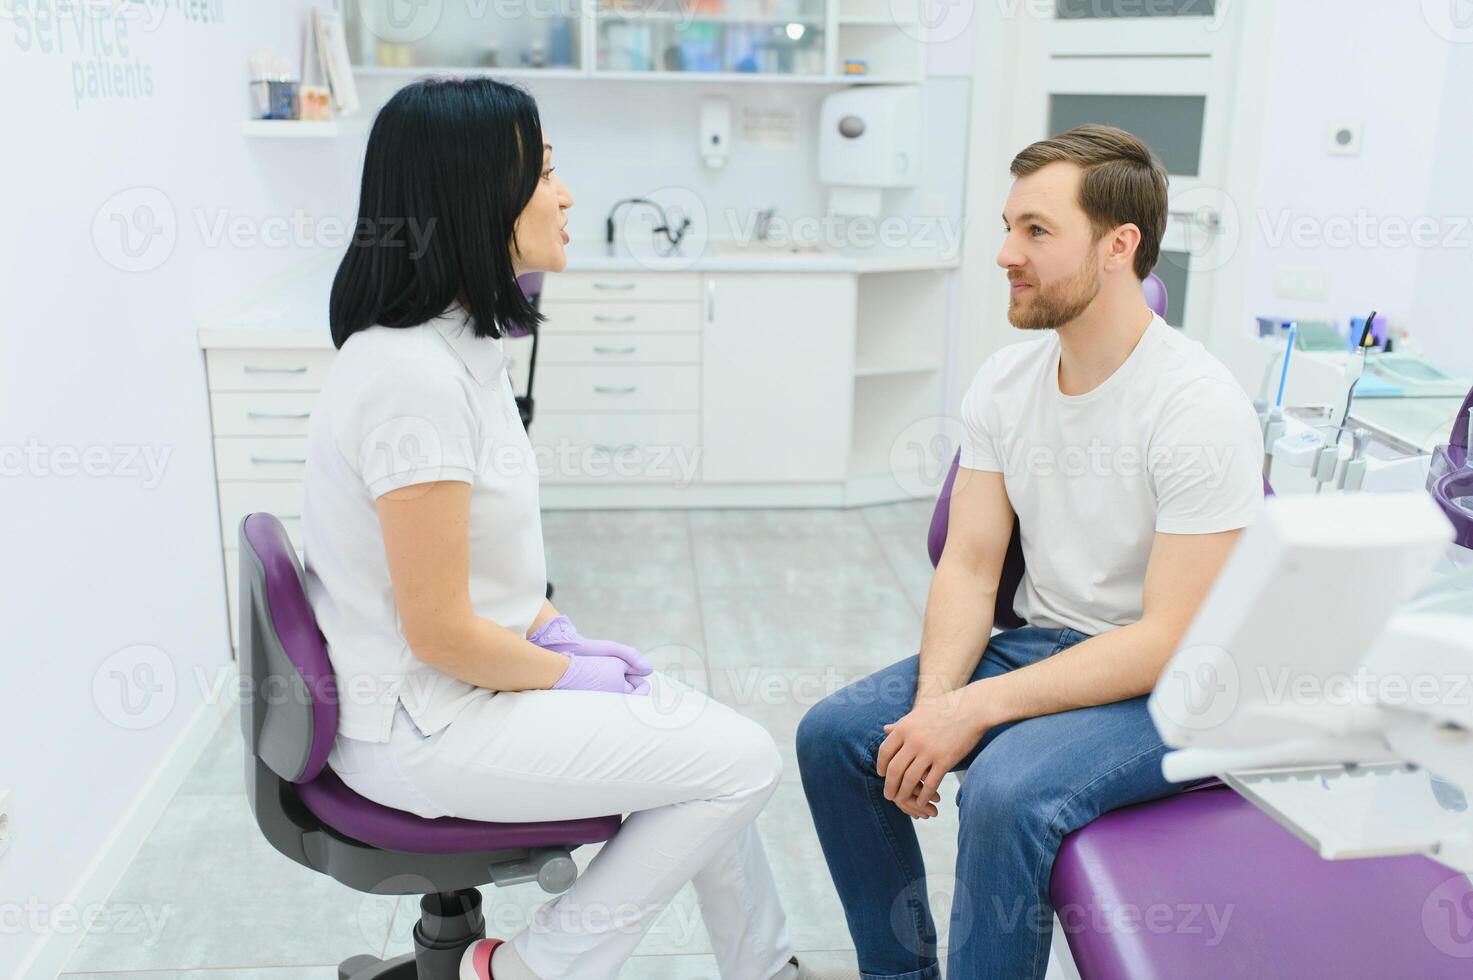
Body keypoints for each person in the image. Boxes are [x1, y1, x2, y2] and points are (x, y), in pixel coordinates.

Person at [301, 76, 841, 980]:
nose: (566, 194)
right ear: (476, 197)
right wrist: (567, 674)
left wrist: (556, 635)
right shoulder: (410, 380)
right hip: (427, 730)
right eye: (544, 172)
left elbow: (474, 575)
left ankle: (767, 969)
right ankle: (521, 971)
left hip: (453, 697)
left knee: (700, 739)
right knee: (738, 763)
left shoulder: (456, 347)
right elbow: (438, 632)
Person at [796, 125, 1265, 980]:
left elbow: (1167, 640)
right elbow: (971, 566)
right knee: (836, 737)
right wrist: (937, 701)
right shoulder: (1005, 382)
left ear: (1118, 246)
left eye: (1037, 232)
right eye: (1008, 226)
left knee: (1007, 787)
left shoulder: (1197, 406)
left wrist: (976, 711)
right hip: (1046, 641)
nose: (1006, 253)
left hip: (1178, 683)